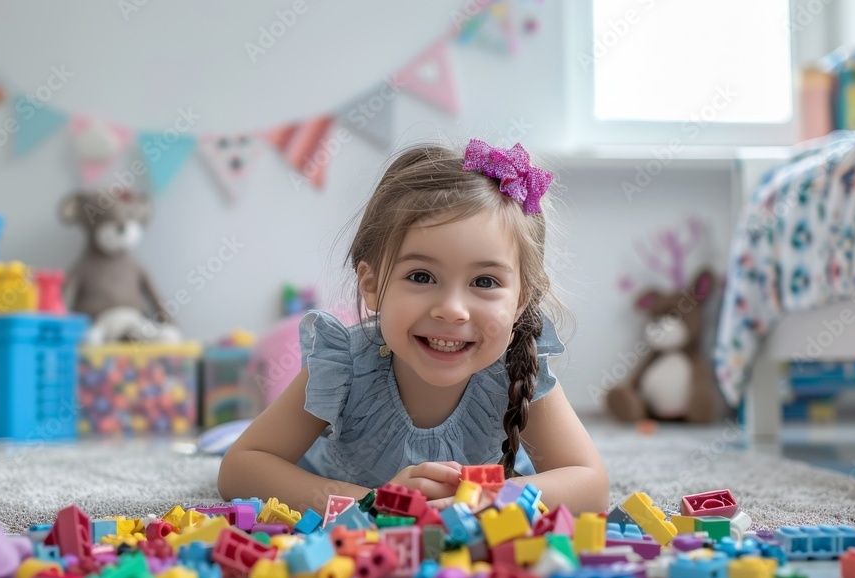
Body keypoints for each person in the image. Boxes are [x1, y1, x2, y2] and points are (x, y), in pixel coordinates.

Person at [218, 139, 608, 515]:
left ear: (522, 299)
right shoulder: (345, 364)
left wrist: (495, 496)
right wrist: (376, 502)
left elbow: (590, 485)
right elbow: (241, 468)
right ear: (371, 285)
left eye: (485, 282)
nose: (452, 310)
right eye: (421, 277)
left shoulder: (518, 368)